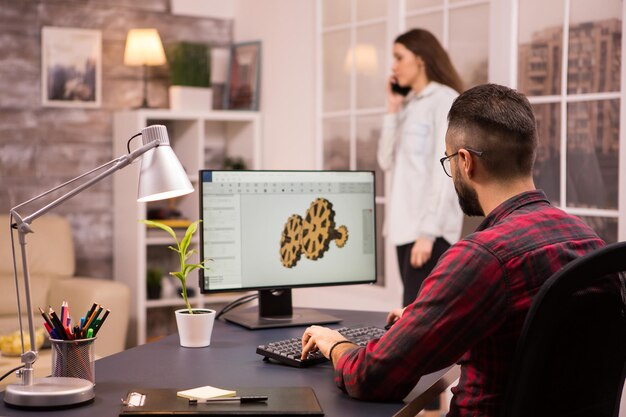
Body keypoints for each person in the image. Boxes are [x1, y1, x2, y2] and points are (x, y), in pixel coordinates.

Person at [301, 84, 607, 417]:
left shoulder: (482, 257)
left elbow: (371, 377)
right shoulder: (588, 241)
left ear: (465, 161)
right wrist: (429, 319)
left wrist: (335, 345)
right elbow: (527, 338)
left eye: (448, 159)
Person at [378, 28, 465, 307]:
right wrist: (393, 109)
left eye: (398, 57)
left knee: (415, 320)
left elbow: (445, 172)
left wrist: (428, 234)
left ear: (421, 59)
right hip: (403, 229)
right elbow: (384, 160)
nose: (393, 66)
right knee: (413, 314)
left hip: (429, 233)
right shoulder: (408, 106)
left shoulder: (444, 100)